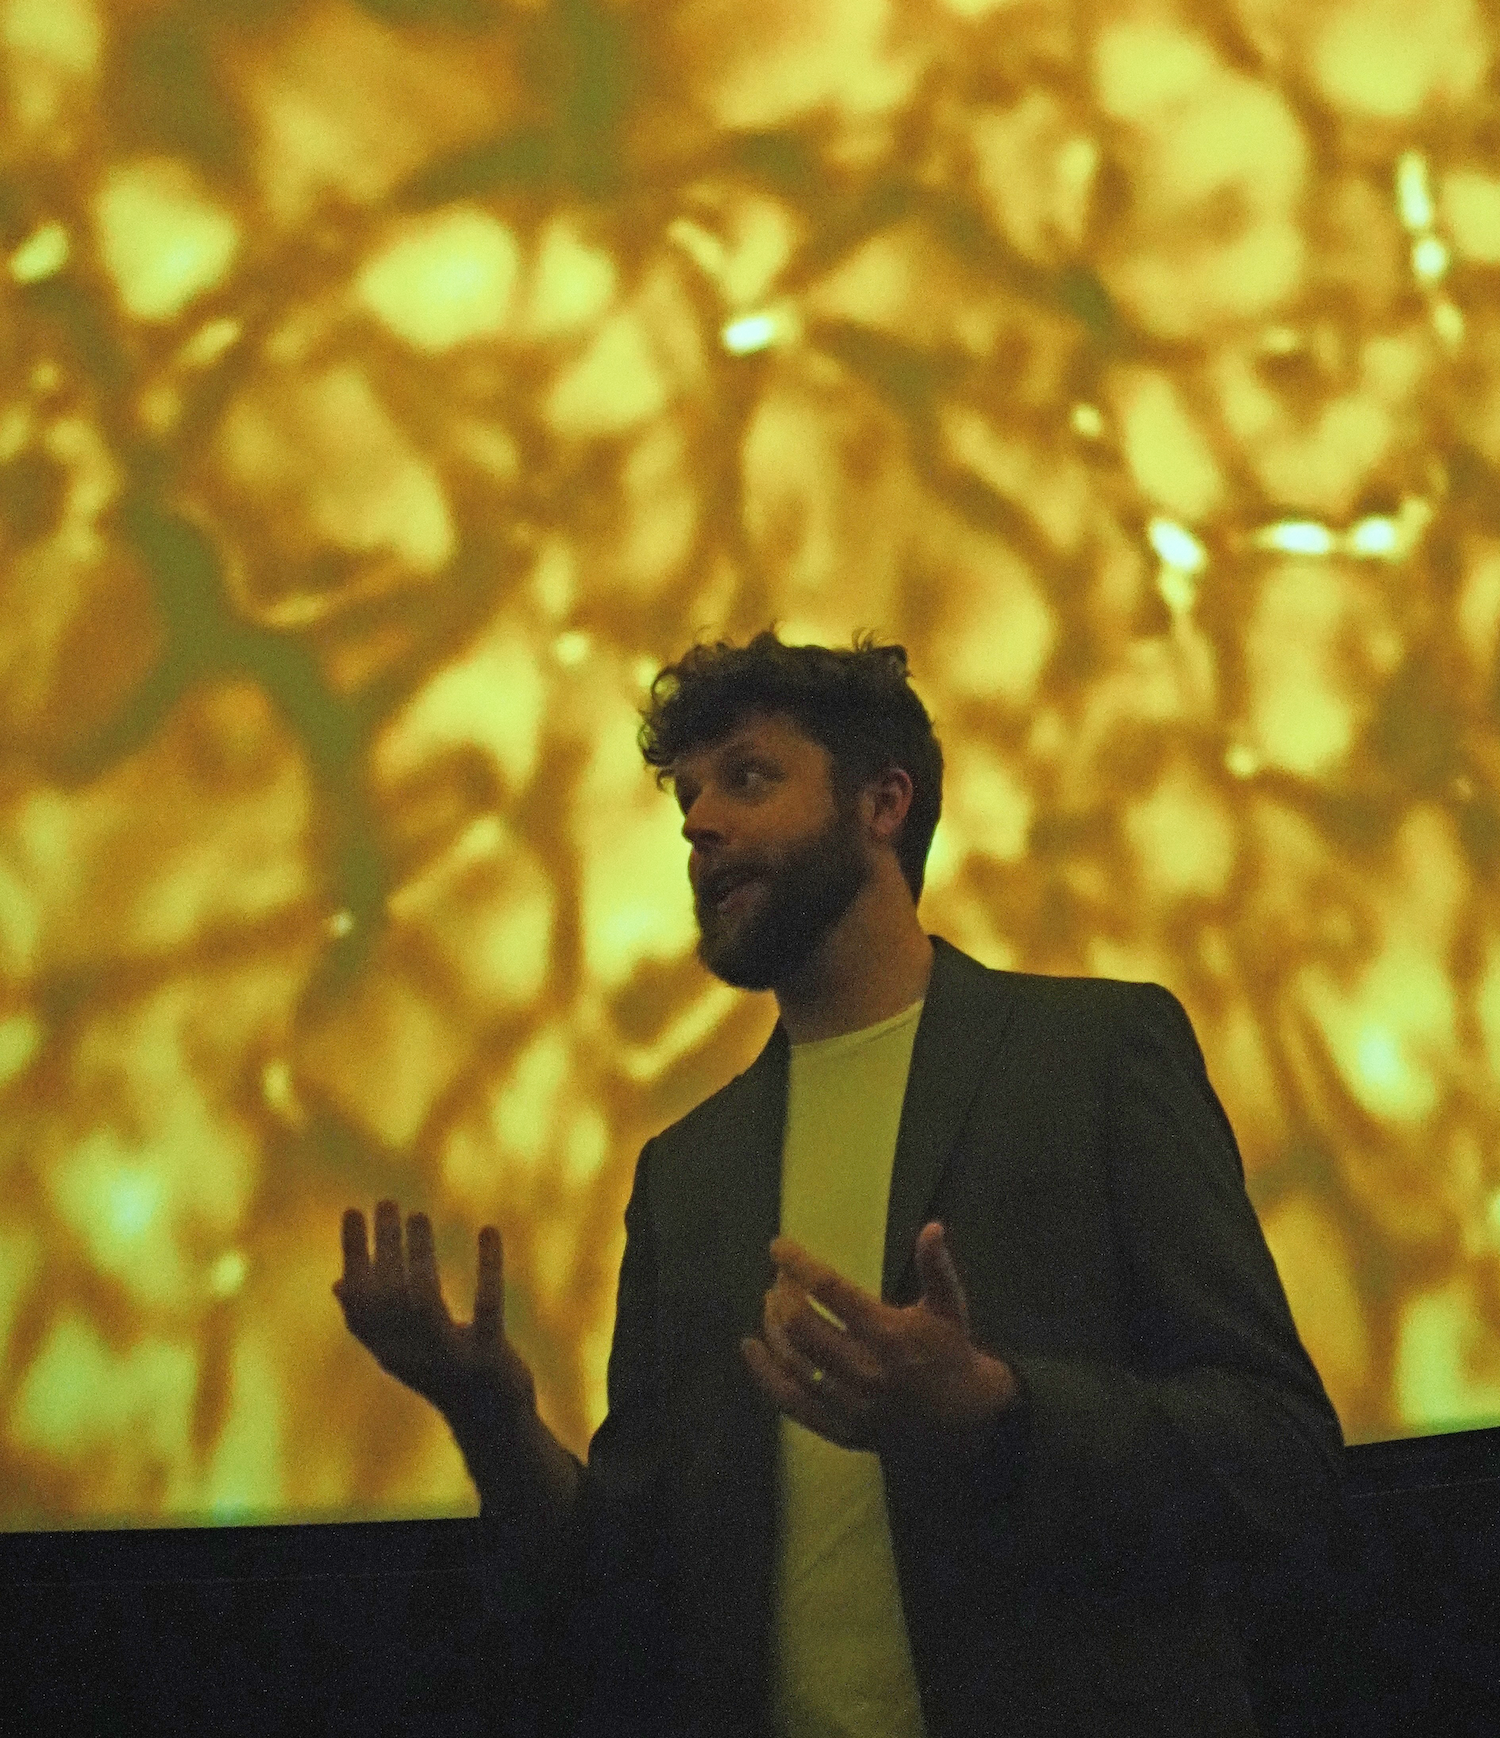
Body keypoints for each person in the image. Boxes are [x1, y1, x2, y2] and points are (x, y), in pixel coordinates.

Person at [334, 631, 1345, 1738]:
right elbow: (624, 1606)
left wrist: (998, 1411)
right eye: (687, 798)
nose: (700, 823)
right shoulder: (688, 1176)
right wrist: (487, 1415)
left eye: (748, 778)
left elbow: (1278, 1459)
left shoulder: (1096, 1058)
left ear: (884, 802)